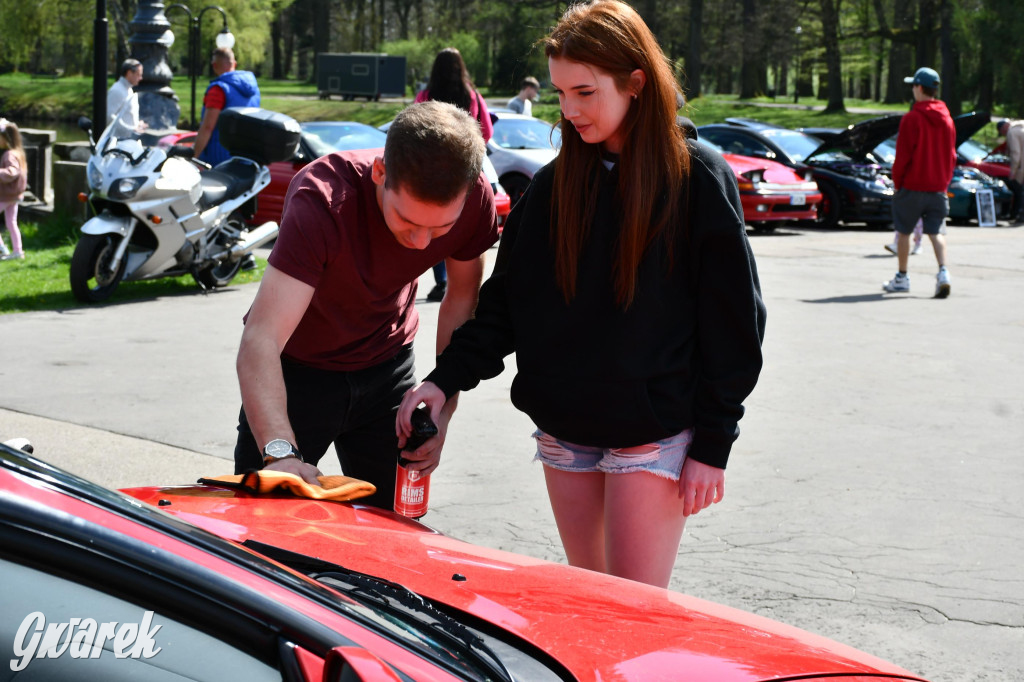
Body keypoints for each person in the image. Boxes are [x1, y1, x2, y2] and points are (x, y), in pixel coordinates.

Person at [397, 0, 766, 589]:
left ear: (636, 82)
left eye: (585, 92)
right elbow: (504, 307)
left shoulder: (696, 176)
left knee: (632, 618)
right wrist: (443, 382)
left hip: (653, 435)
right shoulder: (552, 186)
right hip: (565, 433)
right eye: (561, 93)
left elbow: (735, 320)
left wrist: (714, 442)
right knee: (588, 608)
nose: (569, 111)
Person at [233, 101, 499, 511]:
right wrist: (279, 451)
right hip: (297, 375)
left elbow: (461, 299)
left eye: (440, 228)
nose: (422, 243)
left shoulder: (475, 197)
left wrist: (445, 404)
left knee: (391, 525)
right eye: (407, 222)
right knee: (267, 525)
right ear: (380, 172)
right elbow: (262, 338)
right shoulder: (323, 199)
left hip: (387, 369)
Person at [414, 47, 493, 303]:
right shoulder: (472, 96)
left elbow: (413, 130)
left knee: (435, 226)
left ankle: (442, 281)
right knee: (466, 226)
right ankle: (464, 283)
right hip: (467, 169)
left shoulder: (425, 96)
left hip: (433, 170)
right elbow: (487, 132)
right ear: (461, 68)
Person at [883, 67, 956, 298]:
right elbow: (951, 155)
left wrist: (898, 182)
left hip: (912, 186)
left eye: (913, 85)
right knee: (936, 232)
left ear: (919, 88)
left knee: (903, 232)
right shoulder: (947, 119)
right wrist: (944, 182)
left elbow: (903, 155)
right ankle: (943, 272)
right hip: (937, 188)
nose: (912, 90)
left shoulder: (912, 118)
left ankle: (902, 277)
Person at [192, 47, 261, 165]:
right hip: (247, 157)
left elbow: (208, 127)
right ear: (234, 63)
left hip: (219, 160)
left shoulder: (218, 89)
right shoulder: (254, 89)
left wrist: (193, 157)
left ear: (214, 66)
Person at [0, 118, 28, 261]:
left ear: (6, 138)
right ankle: (17, 252)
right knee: (11, 222)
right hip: (15, 194)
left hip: (7, 195)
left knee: (11, 222)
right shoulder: (18, 153)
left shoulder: (9, 155)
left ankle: (2, 249)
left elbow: (12, 172)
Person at [106, 59, 147, 135]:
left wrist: (137, 124)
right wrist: (130, 129)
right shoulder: (116, 90)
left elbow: (126, 115)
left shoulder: (128, 89)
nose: (141, 78)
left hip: (128, 140)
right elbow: (108, 117)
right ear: (129, 73)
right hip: (119, 143)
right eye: (138, 74)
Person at [996, 118, 1024, 223]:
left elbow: (1015, 153)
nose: (1003, 134)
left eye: (1002, 132)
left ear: (1004, 127)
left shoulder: (1012, 132)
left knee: (1019, 190)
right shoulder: (1022, 127)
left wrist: (1013, 172)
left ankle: (1019, 215)